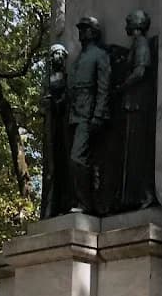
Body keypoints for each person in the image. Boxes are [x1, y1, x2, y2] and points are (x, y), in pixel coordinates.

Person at [67, 16, 111, 213]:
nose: (81, 33)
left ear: (94, 33)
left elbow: (103, 87)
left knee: (77, 158)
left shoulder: (99, 55)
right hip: (75, 113)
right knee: (74, 158)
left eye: (85, 29)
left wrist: (98, 114)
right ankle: (81, 201)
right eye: (80, 29)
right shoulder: (79, 58)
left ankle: (85, 204)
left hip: (89, 112)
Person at [116, 9, 156, 210]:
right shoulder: (135, 44)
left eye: (128, 20)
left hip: (138, 102)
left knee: (138, 150)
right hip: (133, 102)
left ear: (136, 24)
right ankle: (134, 196)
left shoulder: (141, 44)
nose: (125, 24)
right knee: (132, 151)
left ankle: (145, 194)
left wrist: (122, 86)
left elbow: (140, 71)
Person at [40, 43, 70, 218]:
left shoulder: (67, 77)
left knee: (64, 163)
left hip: (64, 124)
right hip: (52, 125)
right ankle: (49, 208)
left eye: (59, 54)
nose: (56, 58)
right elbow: (42, 102)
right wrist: (49, 103)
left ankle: (63, 204)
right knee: (51, 167)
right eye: (54, 55)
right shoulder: (47, 79)